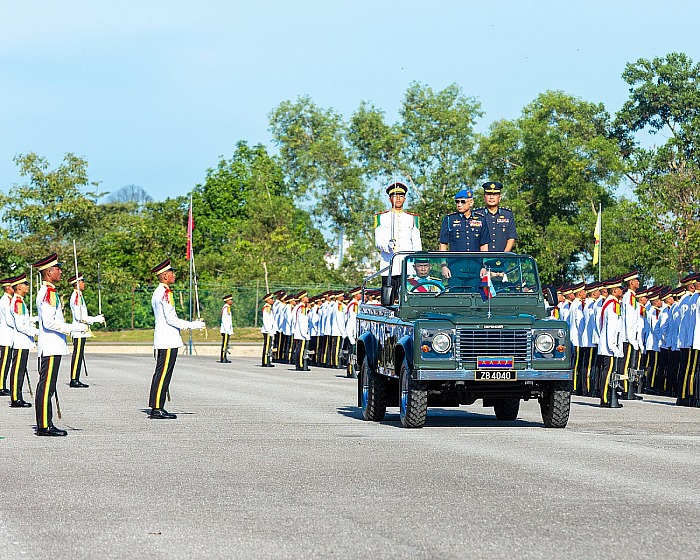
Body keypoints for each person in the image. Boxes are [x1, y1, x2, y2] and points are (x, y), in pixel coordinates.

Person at [33, 253, 90, 436]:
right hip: (50, 345)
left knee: (49, 386)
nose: (61, 271)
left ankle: (45, 422)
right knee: (46, 386)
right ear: (49, 272)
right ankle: (44, 425)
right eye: (58, 268)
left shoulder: (50, 292)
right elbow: (49, 322)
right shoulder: (48, 293)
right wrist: (73, 328)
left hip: (53, 345)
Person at [148, 259, 205, 420]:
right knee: (163, 373)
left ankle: (157, 405)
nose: (174, 274)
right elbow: (171, 319)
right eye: (171, 272)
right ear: (165, 275)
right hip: (167, 338)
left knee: (162, 373)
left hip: (166, 337)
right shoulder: (164, 293)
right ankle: (157, 408)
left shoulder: (161, 292)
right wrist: (193, 325)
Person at [374, 181, 422, 293]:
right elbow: (378, 242)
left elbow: (417, 244)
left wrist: (419, 262)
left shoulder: (412, 218)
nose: (398, 199)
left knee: (408, 296)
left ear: (405, 199)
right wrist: (387, 246)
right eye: (395, 196)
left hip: (408, 266)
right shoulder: (382, 217)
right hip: (389, 265)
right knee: (389, 299)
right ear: (390, 199)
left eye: (401, 196)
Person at [438, 188, 489, 279]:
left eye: (463, 202)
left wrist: (484, 266)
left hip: (476, 268)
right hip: (455, 267)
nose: (459, 204)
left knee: (475, 293)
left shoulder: (481, 219)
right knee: (456, 292)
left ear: (471, 202)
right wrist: (444, 265)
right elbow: (443, 244)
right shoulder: (449, 219)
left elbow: (484, 245)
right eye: (457, 202)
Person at [68, 274, 104, 388]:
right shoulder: (76, 297)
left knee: (79, 355)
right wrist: (96, 319)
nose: (84, 283)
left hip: (82, 330)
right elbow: (80, 317)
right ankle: (74, 379)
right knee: (77, 355)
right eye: (82, 281)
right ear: (77, 283)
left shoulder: (79, 296)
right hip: (78, 330)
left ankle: (76, 377)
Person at [9, 273, 37, 408]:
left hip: (23, 341)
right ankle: (15, 397)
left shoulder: (20, 301)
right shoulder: (18, 302)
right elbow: (20, 325)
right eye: (26, 284)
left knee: (20, 369)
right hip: (20, 341)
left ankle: (18, 396)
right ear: (19, 287)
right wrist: (35, 332)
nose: (28, 286)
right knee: (17, 371)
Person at [598, 278, 624, 407]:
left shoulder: (609, 303)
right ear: (614, 290)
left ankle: (606, 397)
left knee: (607, 371)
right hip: (610, 344)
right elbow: (612, 327)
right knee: (608, 372)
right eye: (620, 289)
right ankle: (605, 399)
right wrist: (613, 345)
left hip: (608, 343)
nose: (622, 291)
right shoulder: (613, 304)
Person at [475, 181, 517, 252]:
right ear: (484, 197)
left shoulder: (507, 215)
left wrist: (504, 255)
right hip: (481, 258)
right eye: (488, 194)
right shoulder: (476, 215)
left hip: (502, 258)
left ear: (500, 198)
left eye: (495, 194)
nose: (491, 197)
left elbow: (511, 237)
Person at [0, 276, 15, 397]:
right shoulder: (5, 301)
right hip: (5, 336)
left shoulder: (10, 300)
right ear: (8, 287)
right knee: (4, 362)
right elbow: (10, 320)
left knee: (7, 362)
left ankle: (3, 385)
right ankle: (0, 386)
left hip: (10, 337)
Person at [292, 292, 310, 371]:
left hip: (298, 331)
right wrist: (304, 333)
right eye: (306, 297)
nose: (307, 298)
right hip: (301, 332)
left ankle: (299, 364)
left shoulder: (298, 307)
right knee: (301, 349)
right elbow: (301, 321)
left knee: (299, 349)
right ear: (302, 298)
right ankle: (300, 365)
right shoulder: (302, 307)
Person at [260, 293, 276, 367]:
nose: (273, 300)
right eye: (271, 299)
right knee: (267, 346)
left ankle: (267, 360)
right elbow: (266, 320)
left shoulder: (269, 307)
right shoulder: (267, 307)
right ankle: (265, 361)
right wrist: (269, 330)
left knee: (269, 346)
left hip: (269, 330)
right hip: (267, 330)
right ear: (267, 300)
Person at [219, 294, 233, 363]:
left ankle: (225, 357)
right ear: (227, 301)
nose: (232, 301)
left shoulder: (227, 307)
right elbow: (224, 320)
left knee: (226, 344)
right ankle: (223, 357)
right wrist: (227, 330)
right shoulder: (226, 308)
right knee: (224, 344)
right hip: (225, 329)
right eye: (230, 300)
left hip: (227, 329)